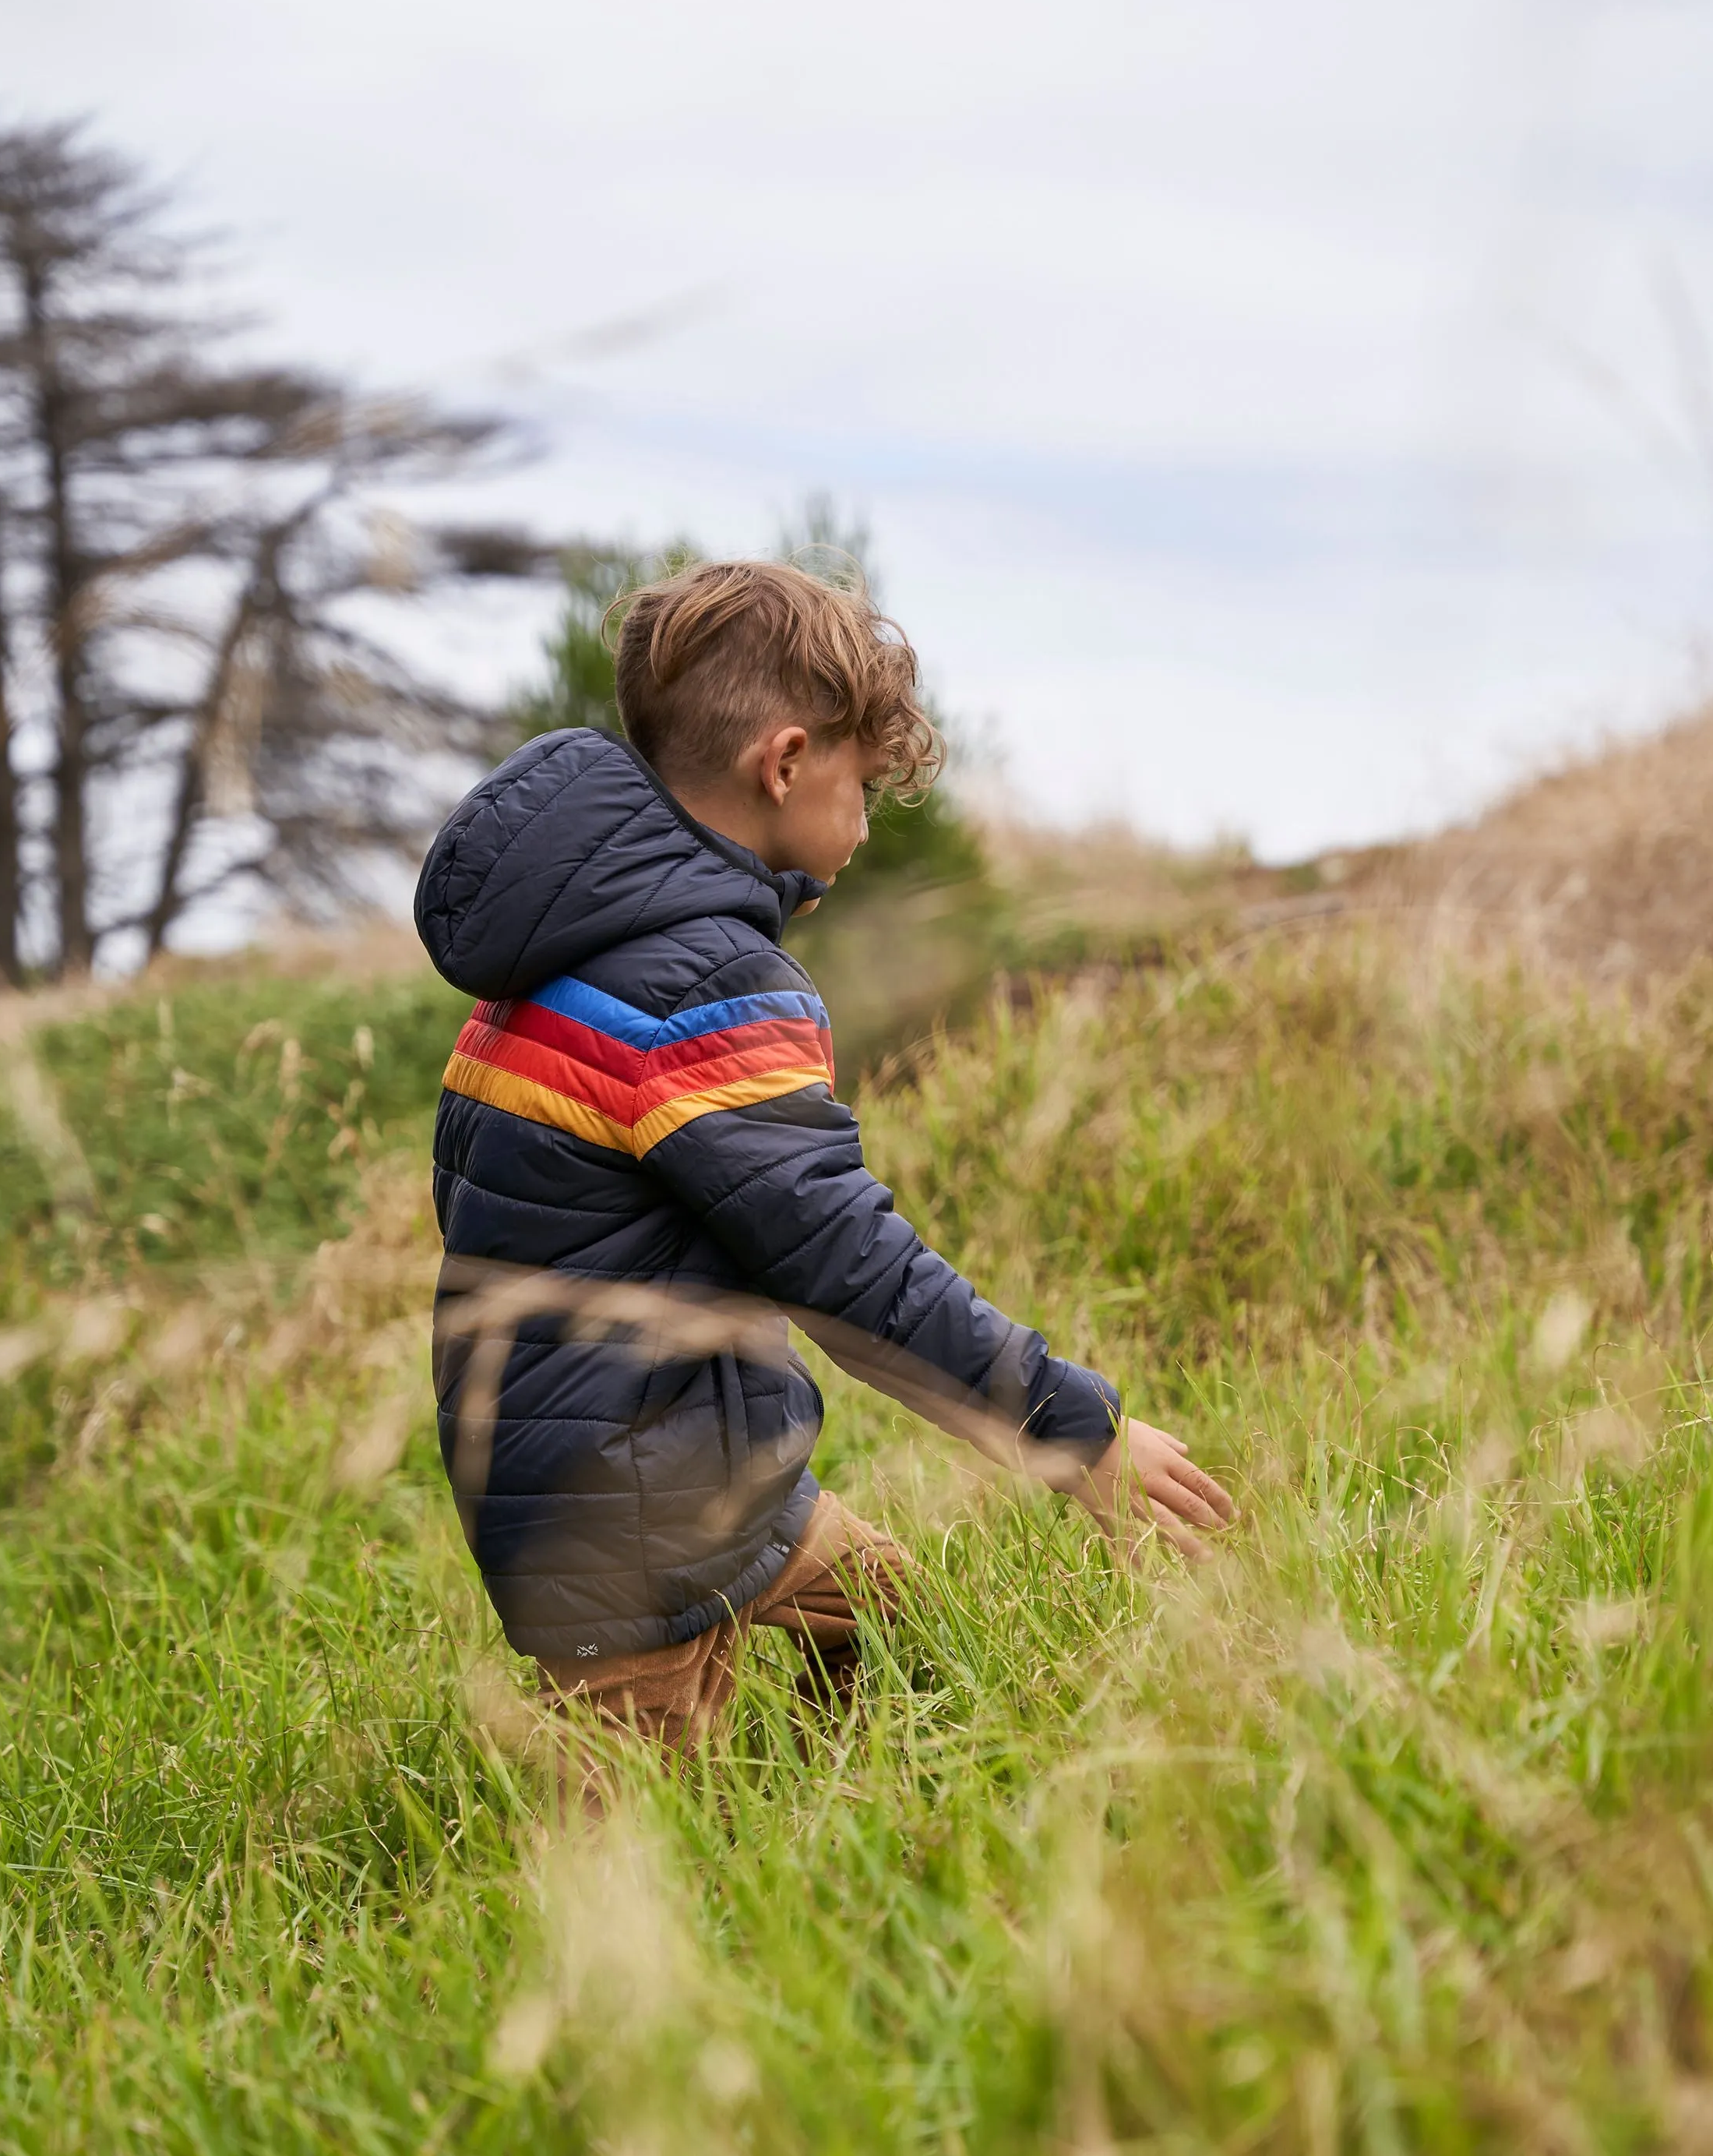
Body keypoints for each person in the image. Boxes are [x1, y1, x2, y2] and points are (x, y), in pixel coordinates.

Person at [414, 560, 1232, 1750]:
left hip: (685, 1476)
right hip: (624, 1523)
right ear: (786, 763)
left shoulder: (568, 952)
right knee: (617, 1868)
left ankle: (849, 1818)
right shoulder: (699, 983)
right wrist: (1073, 1432)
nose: (861, 822)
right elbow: (846, 1265)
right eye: (860, 786)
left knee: (900, 1628)